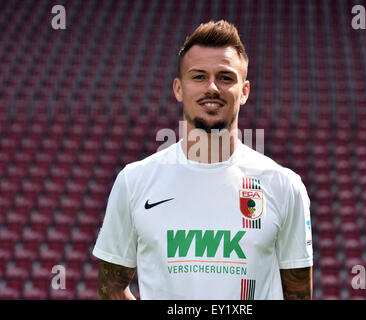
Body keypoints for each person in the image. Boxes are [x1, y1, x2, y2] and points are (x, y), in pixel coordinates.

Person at [92, 20, 313, 300]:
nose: (212, 87)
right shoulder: (134, 181)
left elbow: (299, 296)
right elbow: (109, 288)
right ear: (178, 89)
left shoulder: (284, 185)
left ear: (244, 91)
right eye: (198, 77)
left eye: (225, 77)